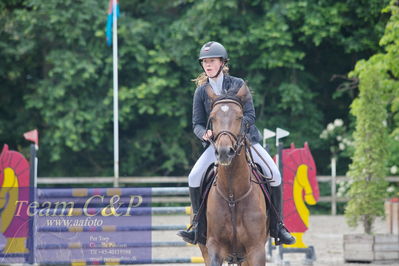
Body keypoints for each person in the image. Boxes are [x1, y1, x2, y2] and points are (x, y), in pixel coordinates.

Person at [177, 41, 295, 246]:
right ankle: (197, 226)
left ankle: (278, 226)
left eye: (212, 61)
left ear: (222, 62)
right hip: (216, 146)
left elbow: (250, 115)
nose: (208, 65)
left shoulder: (238, 85)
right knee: (194, 177)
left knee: (274, 174)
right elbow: (196, 123)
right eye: (205, 62)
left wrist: (234, 131)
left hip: (246, 142)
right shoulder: (201, 91)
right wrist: (203, 134)